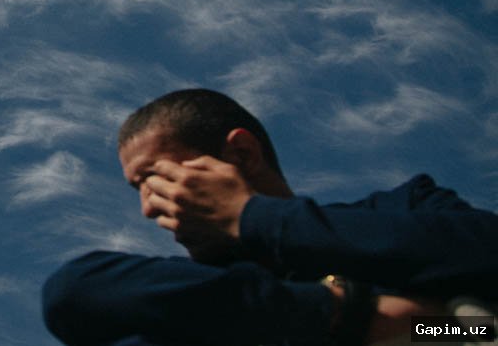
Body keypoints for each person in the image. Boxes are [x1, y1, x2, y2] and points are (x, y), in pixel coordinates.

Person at [42, 89, 498, 345]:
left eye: (154, 181)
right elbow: (74, 293)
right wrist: (352, 312)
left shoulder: (406, 208)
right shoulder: (199, 293)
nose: (147, 208)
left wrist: (249, 214)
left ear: (240, 152)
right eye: (138, 190)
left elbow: (477, 298)